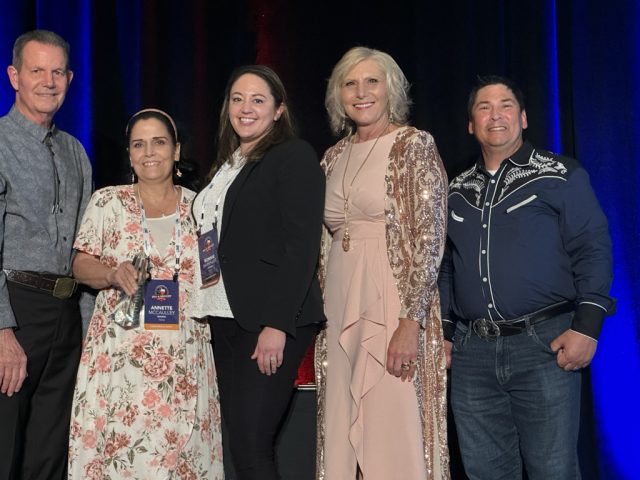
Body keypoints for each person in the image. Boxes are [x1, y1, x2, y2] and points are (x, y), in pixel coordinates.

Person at [439, 75, 614, 479]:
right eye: (484, 107)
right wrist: (446, 333)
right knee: (485, 472)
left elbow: (593, 248)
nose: (495, 114)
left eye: (505, 105)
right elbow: (446, 266)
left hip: (545, 345)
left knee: (552, 470)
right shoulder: (455, 189)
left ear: (523, 117)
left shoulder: (559, 174)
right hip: (472, 354)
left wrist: (587, 327)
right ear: (471, 124)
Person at [315, 46, 450, 480]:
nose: (361, 92)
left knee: (393, 424)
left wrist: (411, 322)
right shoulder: (332, 157)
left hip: (391, 300)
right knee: (340, 423)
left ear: (391, 89)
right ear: (338, 95)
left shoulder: (413, 145)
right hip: (338, 303)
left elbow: (430, 239)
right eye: (350, 83)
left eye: (372, 81)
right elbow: (321, 242)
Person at [67, 109, 224, 479]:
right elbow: (79, 263)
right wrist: (109, 273)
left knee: (180, 460)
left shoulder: (201, 207)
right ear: (129, 154)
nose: (149, 152)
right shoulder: (107, 203)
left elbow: (214, 275)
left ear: (176, 149)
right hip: (119, 360)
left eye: (159, 142)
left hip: (185, 358)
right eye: (139, 144)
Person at [190, 65, 325, 480]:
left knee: (251, 444)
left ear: (279, 110)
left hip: (266, 319)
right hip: (225, 317)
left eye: (258, 100)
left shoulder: (292, 156)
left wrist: (276, 324)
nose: (245, 108)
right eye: (237, 99)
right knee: (241, 444)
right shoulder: (227, 165)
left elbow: (301, 247)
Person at [0, 30, 93, 480]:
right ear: (15, 76)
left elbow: (85, 246)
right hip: (14, 307)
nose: (49, 81)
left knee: (49, 452)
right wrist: (2, 331)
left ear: (71, 78)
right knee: (4, 445)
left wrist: (89, 330)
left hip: (65, 312)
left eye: (58, 72)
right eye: (37, 71)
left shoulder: (75, 151)